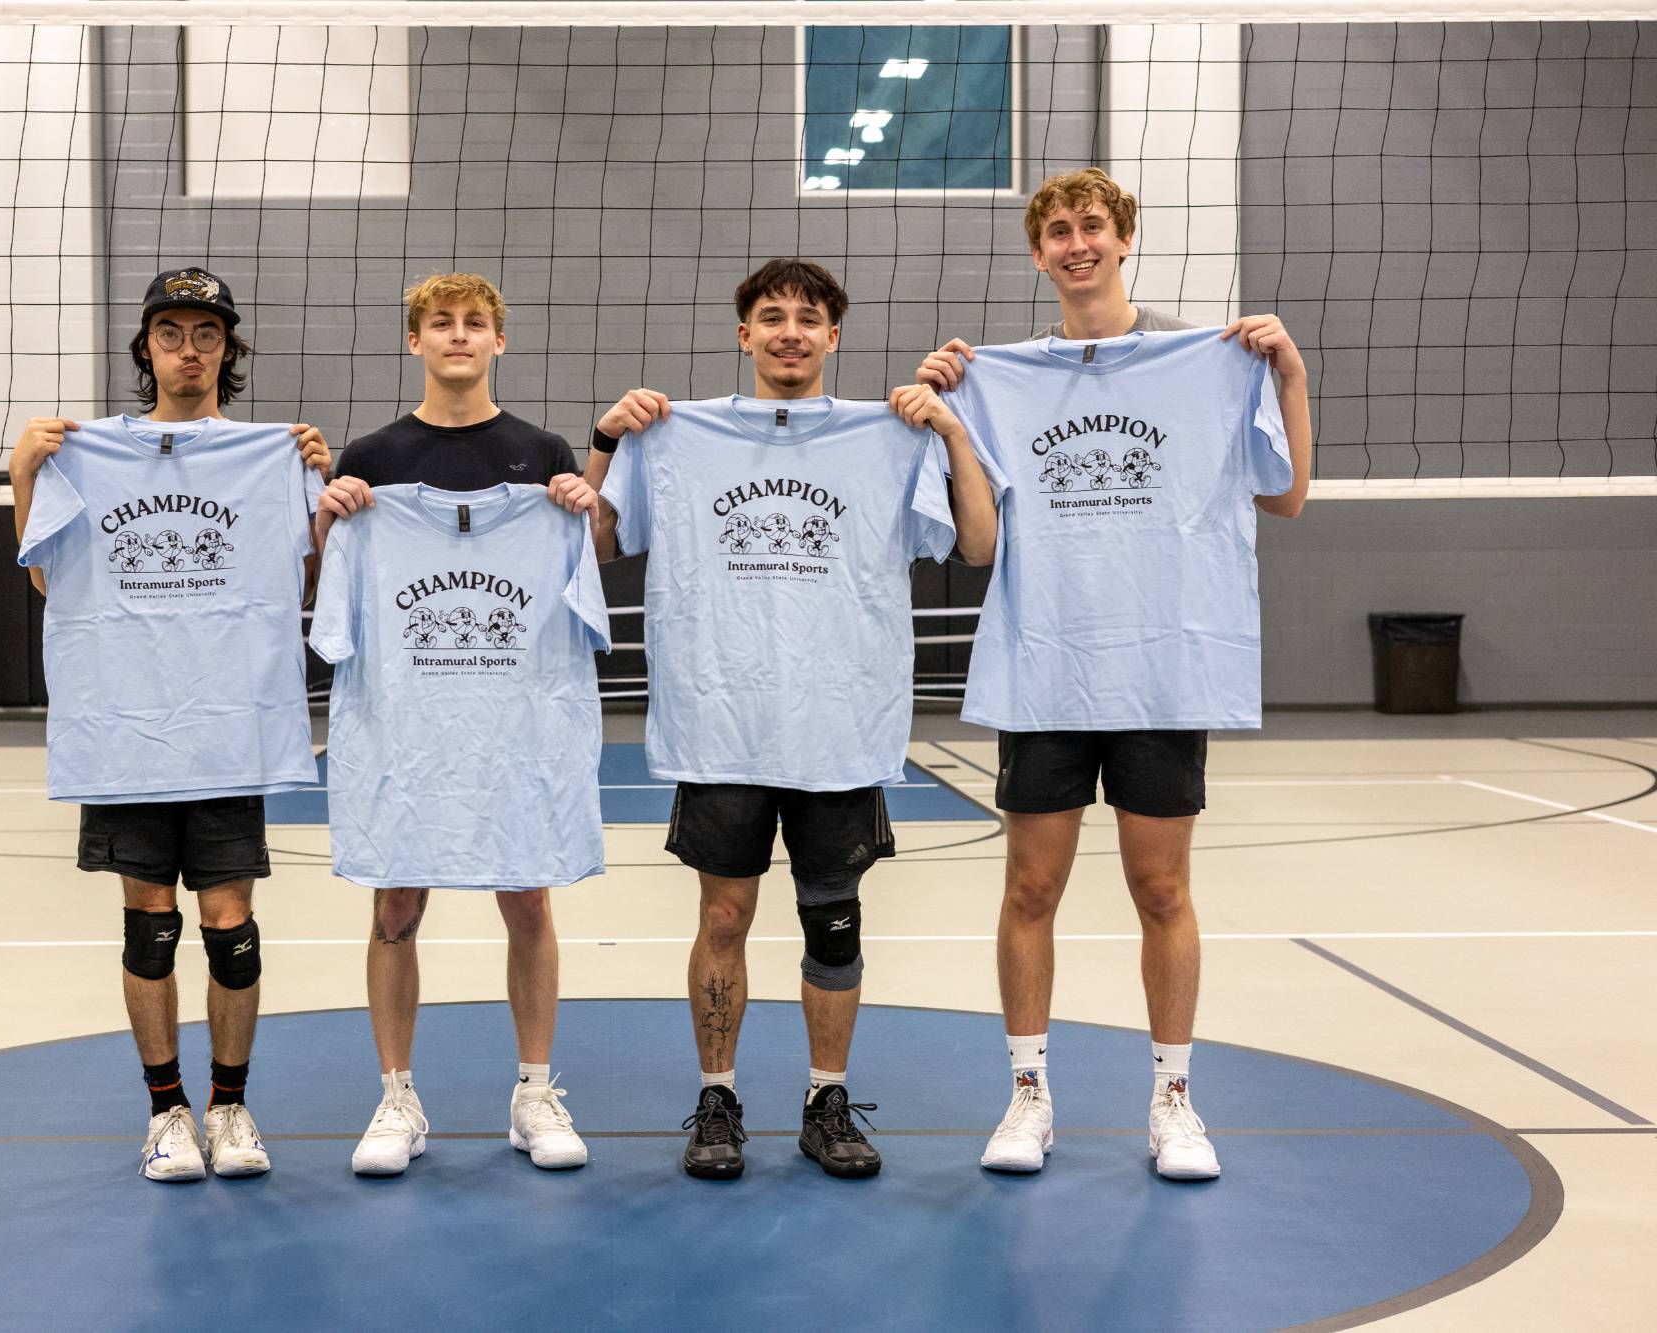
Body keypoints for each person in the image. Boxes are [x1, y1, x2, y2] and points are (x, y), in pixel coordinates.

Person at [915, 167, 1314, 1180]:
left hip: (1159, 670)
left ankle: (1173, 1101)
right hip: (1047, 668)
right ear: (1036, 252)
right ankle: (1025, 1097)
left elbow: (1285, 496)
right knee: (1030, 886)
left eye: (1090, 224)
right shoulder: (997, 377)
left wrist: (1288, 377)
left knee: (1160, 888)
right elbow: (974, 542)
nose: (1074, 241)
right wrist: (954, 422)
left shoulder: (1204, 361)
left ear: (1122, 237)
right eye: (1055, 229)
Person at [590, 259, 997, 1179]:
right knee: (724, 913)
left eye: (808, 318)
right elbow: (595, 544)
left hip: (840, 722)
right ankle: (719, 1097)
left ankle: (826, 1098)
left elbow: (976, 546)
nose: (789, 332)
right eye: (770, 317)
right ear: (744, 336)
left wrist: (954, 437)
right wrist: (607, 441)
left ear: (833, 338)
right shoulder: (675, 437)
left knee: (835, 922)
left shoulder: (887, 437)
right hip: (722, 721)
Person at [8, 267, 331, 1182]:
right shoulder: (86, 451)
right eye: (171, 333)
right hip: (129, 731)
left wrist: (316, 482)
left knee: (231, 927)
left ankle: (231, 1106)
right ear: (145, 348)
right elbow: (47, 578)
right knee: (148, 927)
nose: (188, 350)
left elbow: (301, 585)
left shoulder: (266, 453)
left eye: (206, 334)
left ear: (227, 350)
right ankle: (166, 1112)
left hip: (227, 730)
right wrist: (23, 474)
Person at [313, 273, 603, 1175]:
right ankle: (397, 1095)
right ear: (415, 343)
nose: (459, 336)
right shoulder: (370, 456)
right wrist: (330, 518)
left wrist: (583, 510)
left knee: (528, 895)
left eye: (476, 323)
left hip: (515, 728)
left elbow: (582, 581)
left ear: (499, 342)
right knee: (396, 903)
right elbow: (335, 599)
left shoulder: (541, 450)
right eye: (441, 323)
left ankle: (534, 1089)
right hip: (407, 728)